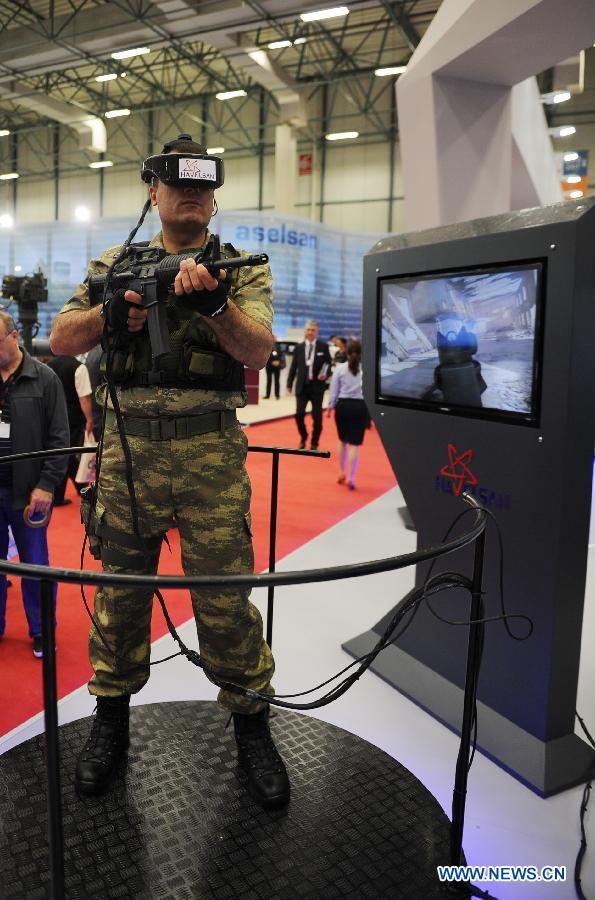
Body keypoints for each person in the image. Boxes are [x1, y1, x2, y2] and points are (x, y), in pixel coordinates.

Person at [49, 133, 290, 809]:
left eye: (203, 187)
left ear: (213, 199)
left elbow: (259, 349)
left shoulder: (239, 267)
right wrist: (112, 315)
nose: (191, 195)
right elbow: (63, 338)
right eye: (178, 184)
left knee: (223, 599)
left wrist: (215, 308)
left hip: (210, 457)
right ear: (152, 193)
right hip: (128, 456)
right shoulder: (116, 260)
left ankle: (250, 724)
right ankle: (111, 721)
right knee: (119, 595)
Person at [0, 311, 69, 656]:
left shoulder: (44, 379)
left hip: (28, 492)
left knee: (35, 565)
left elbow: (60, 439)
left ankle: (42, 630)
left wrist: (47, 485)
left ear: (14, 337)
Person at [46, 354, 94, 505]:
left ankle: (77, 488)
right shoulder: (79, 367)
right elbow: (84, 398)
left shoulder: (48, 366)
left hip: (53, 414)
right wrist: (90, 419)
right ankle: (64, 493)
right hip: (73, 417)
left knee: (62, 451)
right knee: (69, 453)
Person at [327, 339, 371, 490]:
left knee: (342, 441)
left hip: (343, 407)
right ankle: (351, 478)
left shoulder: (339, 368)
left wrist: (329, 407)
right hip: (359, 407)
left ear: (346, 352)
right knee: (354, 445)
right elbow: (369, 393)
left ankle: (341, 472)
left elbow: (333, 390)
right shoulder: (366, 369)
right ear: (361, 354)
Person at [286, 320, 331, 450]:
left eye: (313, 330)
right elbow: (293, 367)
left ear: (317, 332)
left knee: (317, 418)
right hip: (302, 387)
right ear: (305, 331)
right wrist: (289, 383)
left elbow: (328, 365)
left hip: (317, 388)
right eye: (308, 330)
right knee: (299, 415)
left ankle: (314, 442)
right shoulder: (299, 348)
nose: (310, 332)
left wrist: (325, 374)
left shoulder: (324, 347)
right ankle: (304, 436)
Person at [263, 335, 286, 399]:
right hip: (269, 366)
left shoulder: (279, 347)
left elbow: (282, 356)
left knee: (277, 381)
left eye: (275, 337)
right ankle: (267, 395)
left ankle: (277, 395)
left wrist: (278, 362)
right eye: (272, 337)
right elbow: (265, 356)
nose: (273, 339)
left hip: (277, 366)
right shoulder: (267, 346)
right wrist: (271, 362)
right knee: (269, 380)